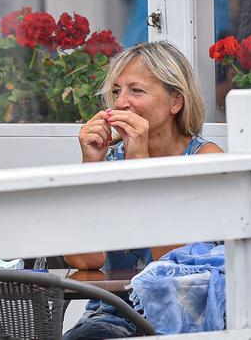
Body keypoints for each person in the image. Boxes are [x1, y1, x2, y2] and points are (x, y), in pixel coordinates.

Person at [62, 40, 223, 340]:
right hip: (113, 315)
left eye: (136, 91)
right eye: (117, 91)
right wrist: (91, 165)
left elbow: (176, 264)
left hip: (184, 321)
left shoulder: (205, 160)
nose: (121, 103)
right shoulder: (111, 159)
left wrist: (140, 164)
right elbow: (85, 260)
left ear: (176, 102)